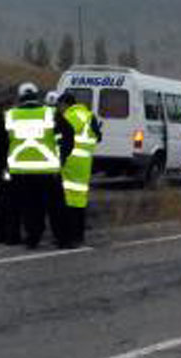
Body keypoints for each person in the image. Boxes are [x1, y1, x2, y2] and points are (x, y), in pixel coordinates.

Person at [5, 83, 73, 249]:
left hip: (21, 171)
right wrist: (62, 158)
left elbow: (3, 141)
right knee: (56, 207)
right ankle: (62, 239)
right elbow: (68, 135)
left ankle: (33, 238)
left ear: (20, 97)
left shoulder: (11, 115)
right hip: (48, 170)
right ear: (36, 96)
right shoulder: (49, 113)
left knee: (30, 207)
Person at [59, 93, 102, 245]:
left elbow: (60, 137)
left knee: (67, 202)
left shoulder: (69, 116)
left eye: (60, 105)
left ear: (65, 104)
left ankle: (68, 238)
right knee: (80, 201)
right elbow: (98, 137)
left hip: (70, 163)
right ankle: (79, 236)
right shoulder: (90, 116)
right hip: (84, 165)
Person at [0, 97, 21, 245]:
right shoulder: (0, 128)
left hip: (4, 168)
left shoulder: (3, 127)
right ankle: (8, 235)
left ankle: (5, 234)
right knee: (7, 200)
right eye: (8, 109)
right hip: (5, 169)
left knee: (5, 200)